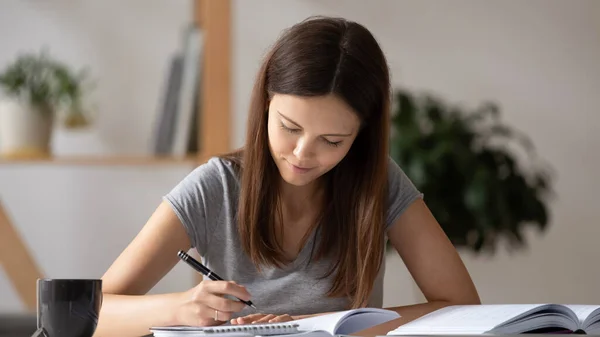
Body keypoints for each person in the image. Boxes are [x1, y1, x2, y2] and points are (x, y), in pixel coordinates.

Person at [95, 16, 480, 337]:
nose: (301, 154)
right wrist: (179, 307)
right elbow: (91, 314)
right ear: (265, 104)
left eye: (331, 140)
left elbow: (462, 307)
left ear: (361, 135)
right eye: (289, 127)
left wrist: (316, 326)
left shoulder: (378, 181)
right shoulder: (216, 187)